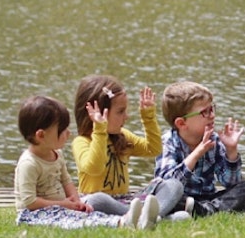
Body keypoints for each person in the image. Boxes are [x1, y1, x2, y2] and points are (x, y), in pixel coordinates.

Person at [14, 95, 159, 230]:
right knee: (74, 220)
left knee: (85, 212)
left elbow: (66, 181)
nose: (68, 133)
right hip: (34, 214)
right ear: (41, 135)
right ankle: (123, 222)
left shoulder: (57, 154)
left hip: (60, 206)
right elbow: (30, 202)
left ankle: (142, 216)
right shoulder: (29, 163)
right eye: (62, 130)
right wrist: (64, 204)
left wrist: (78, 203)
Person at [72, 75, 187, 221]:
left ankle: (144, 217)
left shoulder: (123, 136)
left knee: (173, 184)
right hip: (96, 203)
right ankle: (158, 217)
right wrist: (99, 130)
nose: (126, 117)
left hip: (124, 201)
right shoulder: (81, 142)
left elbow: (153, 149)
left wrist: (148, 117)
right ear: (98, 113)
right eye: (120, 112)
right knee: (97, 199)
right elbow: (95, 168)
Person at [155, 81, 245, 216]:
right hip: (181, 200)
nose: (212, 115)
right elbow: (168, 185)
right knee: (169, 200)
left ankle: (208, 210)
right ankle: (223, 210)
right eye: (205, 112)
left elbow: (230, 182)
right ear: (181, 123)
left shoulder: (214, 139)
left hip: (208, 198)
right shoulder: (168, 143)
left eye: (212, 109)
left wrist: (231, 150)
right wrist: (197, 153)